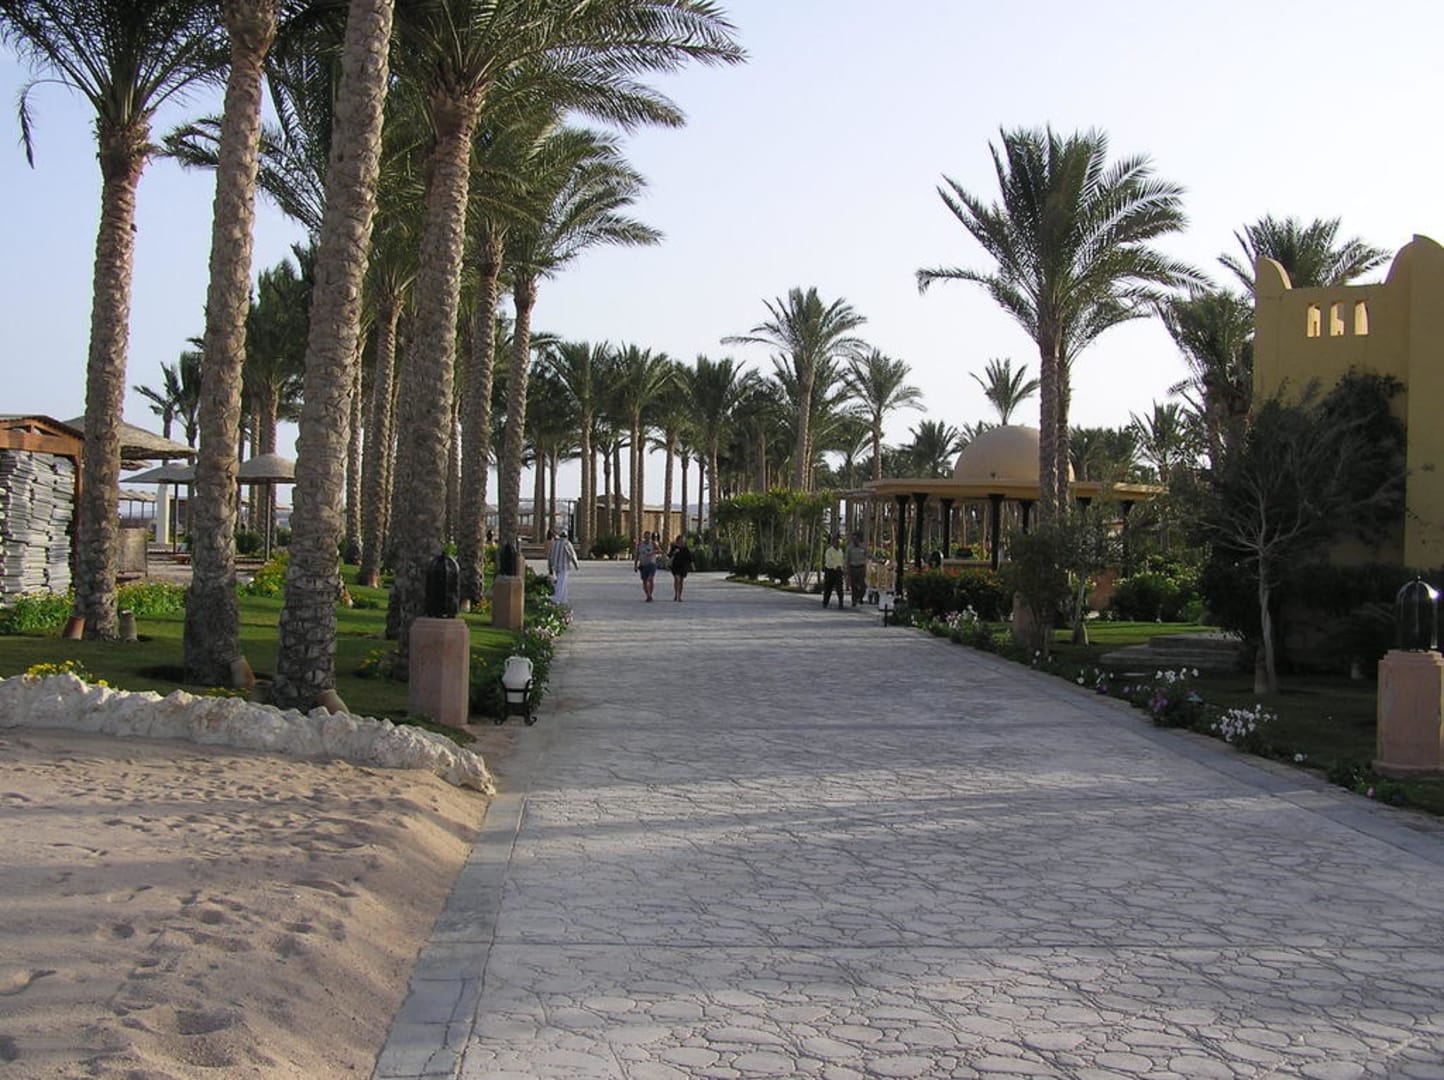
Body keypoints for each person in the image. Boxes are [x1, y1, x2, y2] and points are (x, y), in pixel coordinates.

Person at [549, 530, 579, 603]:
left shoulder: (555, 543)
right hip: (564, 566)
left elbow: (550, 555)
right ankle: (557, 598)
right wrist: (576, 565)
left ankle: (563, 599)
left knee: (563, 583)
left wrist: (550, 566)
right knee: (561, 583)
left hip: (556, 566)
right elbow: (571, 555)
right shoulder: (567, 543)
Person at [845, 530, 869, 607]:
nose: (854, 540)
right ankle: (854, 600)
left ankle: (860, 597)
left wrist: (879, 560)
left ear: (859, 539)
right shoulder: (849, 548)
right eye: (853, 539)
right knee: (853, 585)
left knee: (863, 585)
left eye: (856, 538)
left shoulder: (863, 547)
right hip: (853, 568)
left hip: (861, 567)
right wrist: (846, 570)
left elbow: (869, 555)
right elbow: (847, 560)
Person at [667, 533, 694, 601]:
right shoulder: (674, 547)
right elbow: (669, 555)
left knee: (681, 581)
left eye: (683, 540)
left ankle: (679, 596)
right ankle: (676, 594)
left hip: (683, 566)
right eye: (681, 540)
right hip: (675, 566)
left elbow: (690, 558)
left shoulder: (686, 548)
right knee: (677, 579)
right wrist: (674, 553)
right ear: (678, 540)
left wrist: (693, 566)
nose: (682, 542)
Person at [822, 534, 846, 609]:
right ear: (833, 543)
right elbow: (829, 561)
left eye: (839, 543)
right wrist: (836, 566)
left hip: (838, 572)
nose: (838, 544)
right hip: (830, 571)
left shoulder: (840, 551)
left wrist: (841, 567)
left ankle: (841, 603)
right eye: (836, 542)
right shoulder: (829, 551)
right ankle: (825, 602)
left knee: (840, 588)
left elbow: (842, 560)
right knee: (828, 588)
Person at [634, 530, 659, 602]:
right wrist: (635, 565)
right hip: (643, 564)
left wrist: (653, 552)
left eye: (649, 537)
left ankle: (650, 595)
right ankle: (648, 595)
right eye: (646, 537)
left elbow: (660, 550)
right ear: (644, 537)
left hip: (651, 564)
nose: (647, 538)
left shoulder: (653, 543)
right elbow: (637, 555)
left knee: (650, 579)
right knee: (644, 581)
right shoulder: (640, 545)